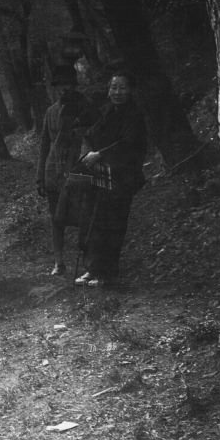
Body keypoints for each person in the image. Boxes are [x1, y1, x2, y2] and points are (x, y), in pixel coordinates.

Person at [74, 71, 147, 288]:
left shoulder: (135, 115)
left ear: (131, 90)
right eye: (114, 87)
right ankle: (92, 268)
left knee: (112, 225)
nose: (117, 92)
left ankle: (107, 274)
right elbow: (90, 135)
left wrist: (100, 155)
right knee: (93, 220)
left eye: (122, 87)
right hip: (100, 175)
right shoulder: (106, 112)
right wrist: (87, 152)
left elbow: (127, 144)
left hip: (122, 178)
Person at [35, 65, 92, 275]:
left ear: (74, 86)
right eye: (59, 86)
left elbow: (91, 139)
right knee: (56, 218)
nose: (63, 90)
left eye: (68, 85)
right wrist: (40, 177)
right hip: (54, 173)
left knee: (84, 216)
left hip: (79, 169)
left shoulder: (86, 107)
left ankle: (88, 262)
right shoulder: (50, 112)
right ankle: (58, 261)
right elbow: (44, 146)